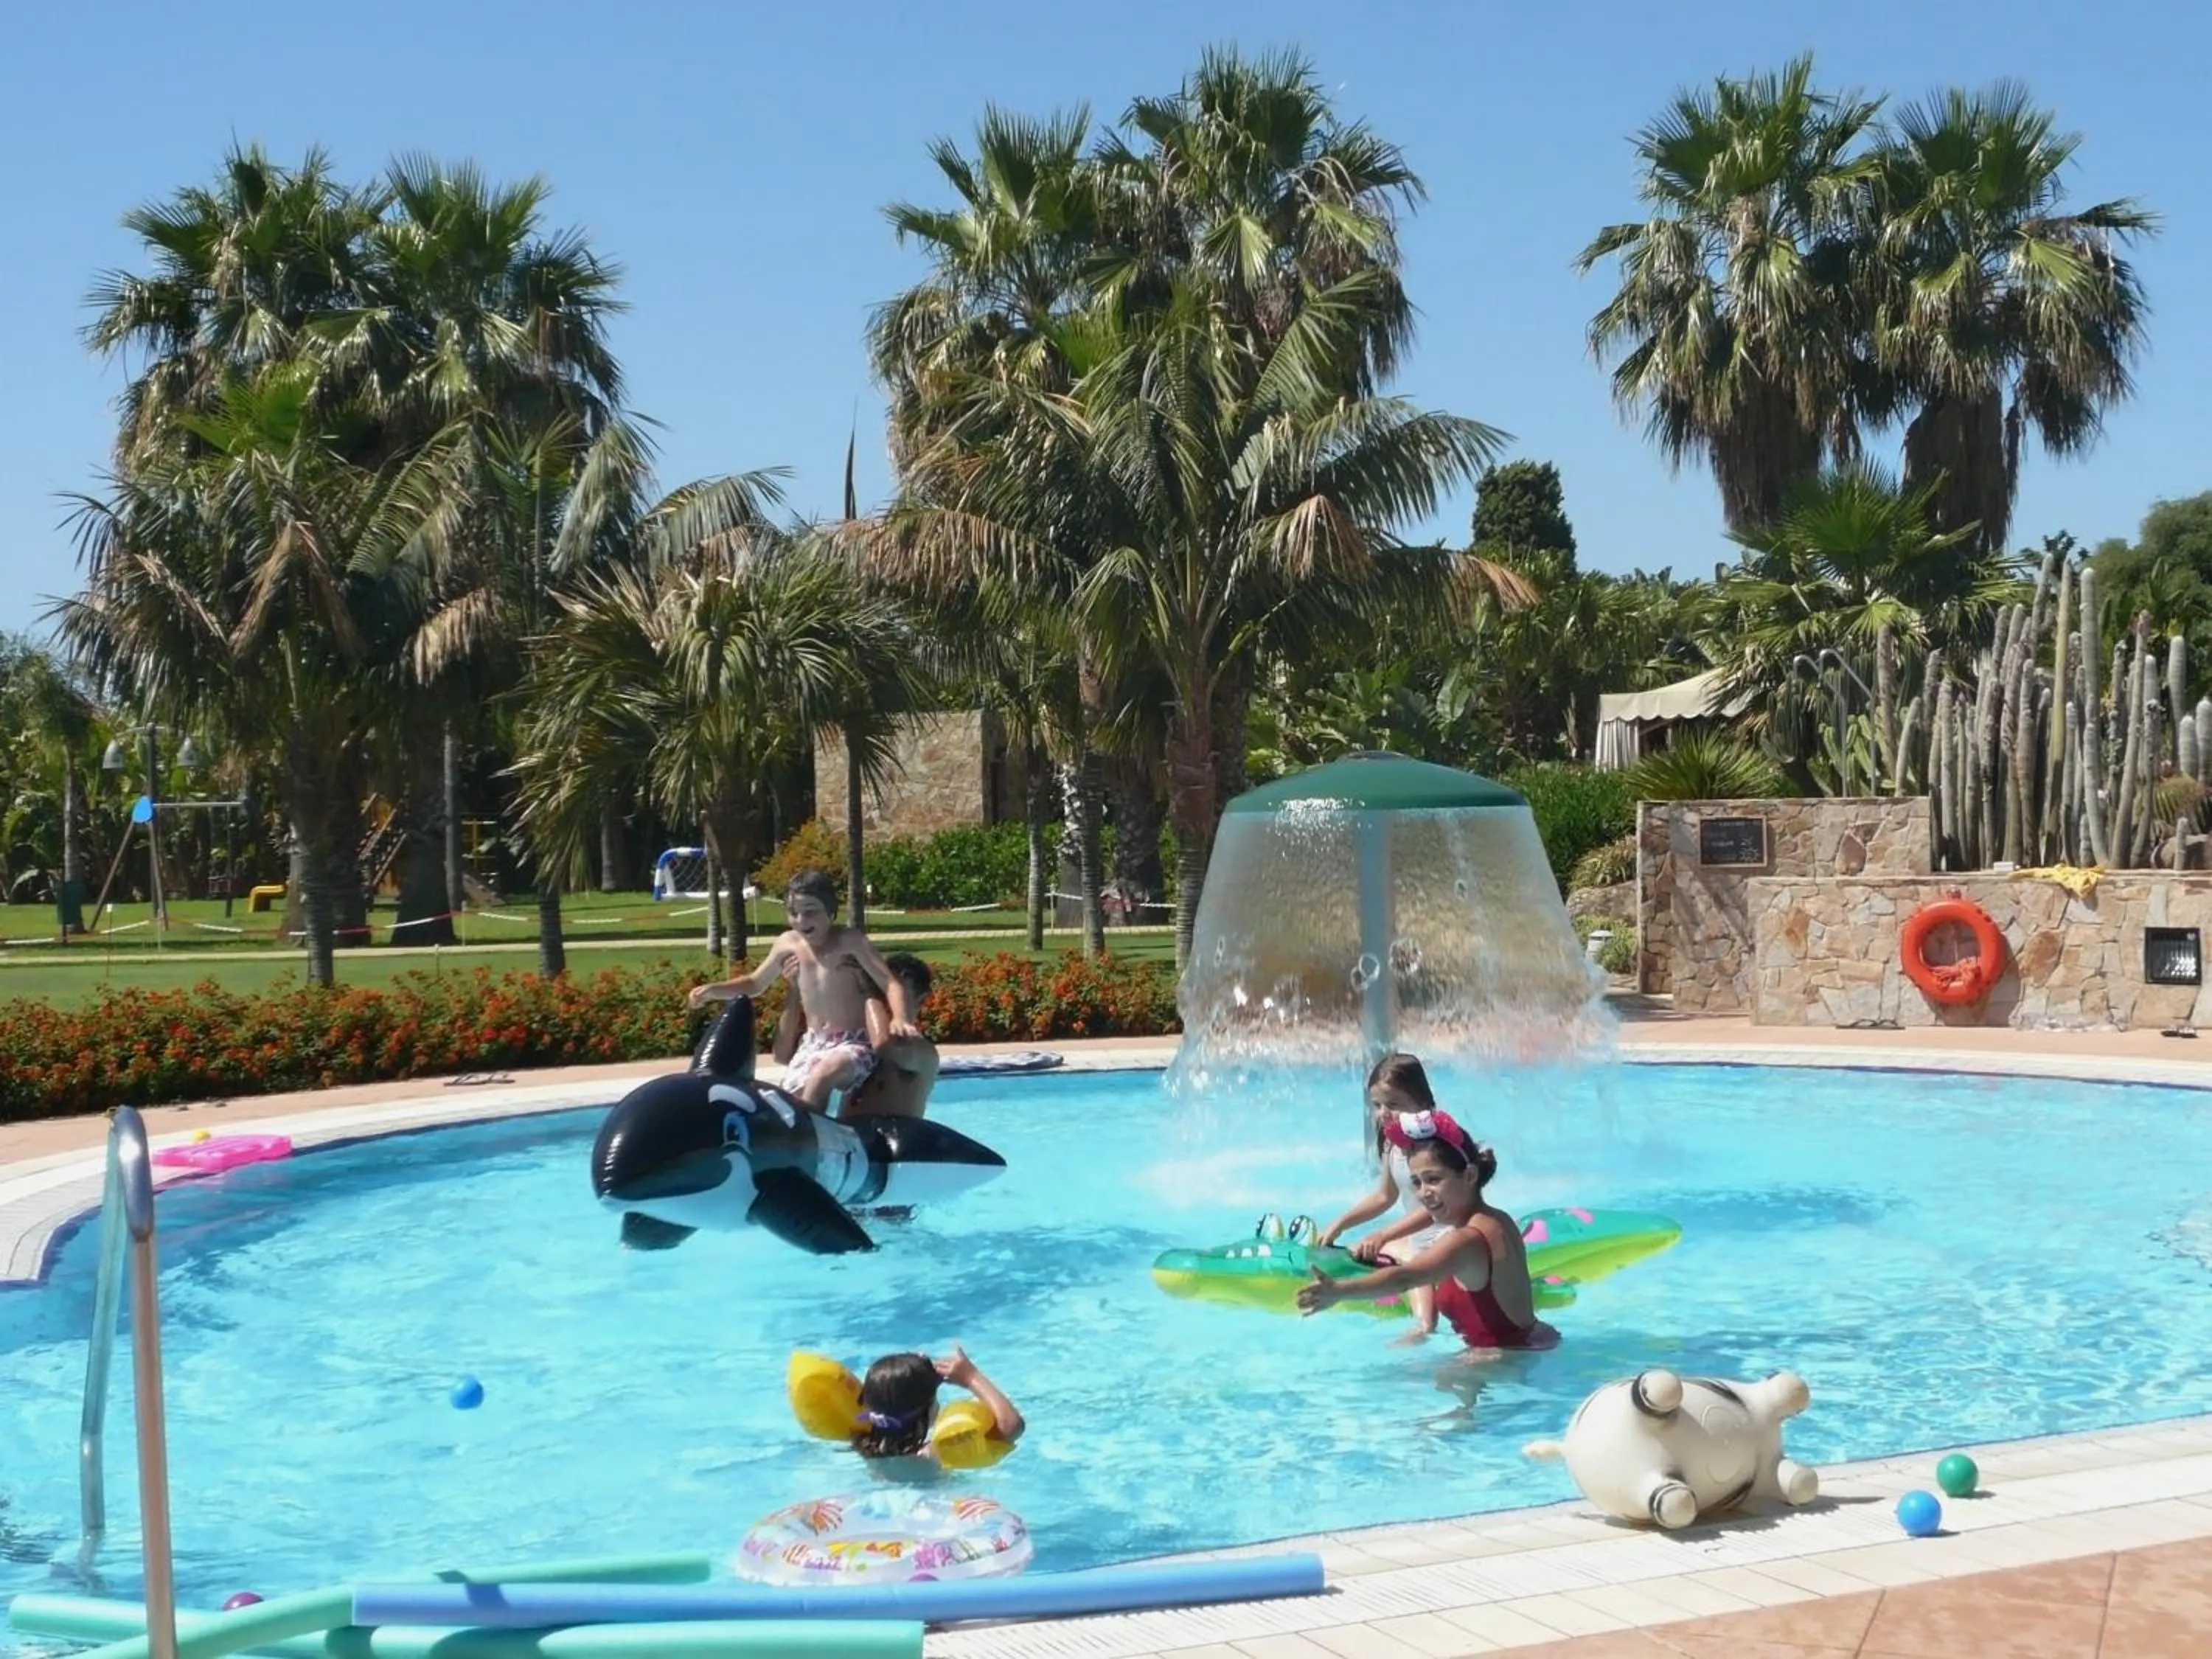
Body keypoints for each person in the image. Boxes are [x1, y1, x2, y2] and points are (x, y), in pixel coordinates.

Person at [1296, 1102, 1558, 1354]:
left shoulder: (1466, 1241)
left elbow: (1405, 1278)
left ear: (1469, 1176)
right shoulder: (1497, 1220)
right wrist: (1384, 1235)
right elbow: (1431, 1216)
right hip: (1536, 1343)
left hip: (1502, 1359)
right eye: (1416, 1183)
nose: (1423, 1193)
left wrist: (1340, 1291)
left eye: (1433, 1179)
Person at [688, 870, 920, 1112]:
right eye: (793, 912)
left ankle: (811, 1132)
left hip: (855, 1042)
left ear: (831, 912)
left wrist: (901, 1018)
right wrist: (713, 991)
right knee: (788, 1104)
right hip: (813, 1044)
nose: (800, 920)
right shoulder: (788, 944)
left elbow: (890, 983)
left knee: (823, 1074)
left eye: (810, 912)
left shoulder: (849, 942)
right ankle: (808, 1128)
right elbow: (756, 983)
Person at [1315, 1053, 1448, 1343]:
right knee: (1353, 1253)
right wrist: (1341, 1223)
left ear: (1422, 1102)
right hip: (1417, 1239)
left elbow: (1436, 1210)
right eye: (1377, 1105)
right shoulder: (1392, 1143)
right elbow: (1385, 1196)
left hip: (1446, 1240)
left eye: (1394, 1104)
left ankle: (1424, 1327)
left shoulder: (1433, 1150)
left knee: (1415, 1269)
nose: (1383, 1113)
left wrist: (1383, 1235)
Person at [775, 953, 942, 1120]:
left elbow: (883, 1045)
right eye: (881, 990)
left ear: (921, 1000)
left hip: (893, 1134)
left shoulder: (923, 1052)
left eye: (893, 993)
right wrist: (795, 991)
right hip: (852, 1134)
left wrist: (870, 992)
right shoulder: (854, 1044)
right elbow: (783, 1055)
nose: (885, 999)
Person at [849, 1345, 1025, 1467]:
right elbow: (1011, 1426)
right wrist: (971, 1378)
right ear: (929, 1409)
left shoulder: (860, 1445)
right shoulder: (932, 1455)